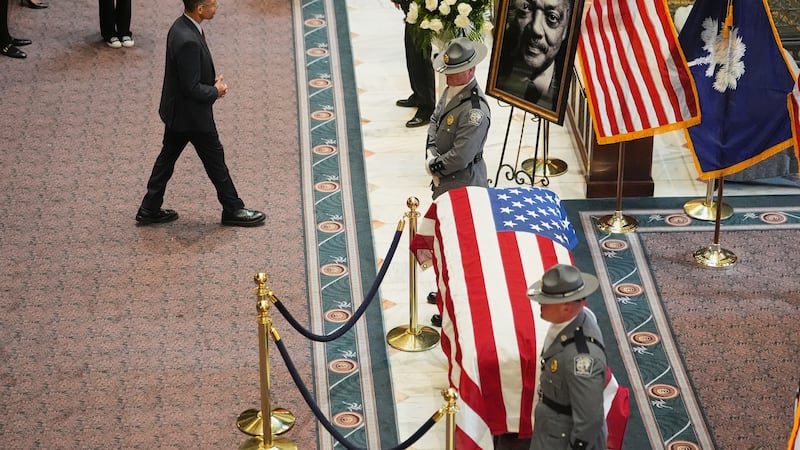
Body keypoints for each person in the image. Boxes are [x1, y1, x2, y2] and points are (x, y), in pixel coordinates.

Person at [136, 0, 265, 227]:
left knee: (167, 159)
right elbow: (191, 87)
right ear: (200, 9)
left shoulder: (180, 26)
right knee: (215, 161)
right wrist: (215, 90)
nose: (217, 7)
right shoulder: (188, 40)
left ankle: (149, 208)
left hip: (178, 112)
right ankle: (233, 209)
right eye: (213, 4)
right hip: (192, 117)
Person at [424, 37, 491, 326]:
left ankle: (454, 308)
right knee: (445, 243)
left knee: (460, 251)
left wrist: (434, 165)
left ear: (471, 70)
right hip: (446, 184)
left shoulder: (475, 111)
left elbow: (462, 156)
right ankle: (444, 293)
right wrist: (430, 152)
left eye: (455, 70)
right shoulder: (453, 90)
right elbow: (435, 120)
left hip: (463, 185)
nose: (448, 75)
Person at [526, 263, 607, 450]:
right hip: (552, 427)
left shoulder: (581, 359)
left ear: (565, 306)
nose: (540, 303)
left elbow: (589, 420)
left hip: (562, 439)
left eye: (546, 300)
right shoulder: (578, 319)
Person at [496, 0, 573, 110]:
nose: (536, 29)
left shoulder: (564, 90)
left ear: (566, 30)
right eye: (526, 7)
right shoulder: (497, 66)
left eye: (552, 17)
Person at [391, 0, 436, 128]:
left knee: (420, 56)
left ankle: (427, 107)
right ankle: (419, 95)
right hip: (412, 6)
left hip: (423, 5)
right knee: (412, 54)